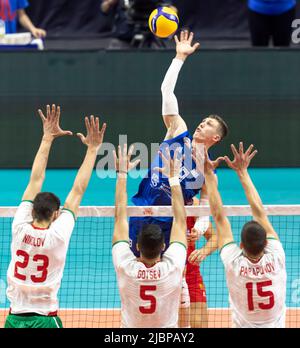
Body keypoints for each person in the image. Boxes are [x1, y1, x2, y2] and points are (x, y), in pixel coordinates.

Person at [129, 29, 228, 326]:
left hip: (168, 225)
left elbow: (205, 212)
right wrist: (178, 58)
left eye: (209, 124)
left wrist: (200, 225)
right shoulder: (178, 132)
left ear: (216, 137)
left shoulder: (206, 171)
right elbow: (166, 92)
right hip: (140, 209)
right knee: (137, 275)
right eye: (203, 120)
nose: (202, 124)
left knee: (167, 283)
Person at [5, 105, 106, 328]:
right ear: (56, 214)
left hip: (13, 319)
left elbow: (35, 180)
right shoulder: (59, 234)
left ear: (32, 210)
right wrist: (92, 149)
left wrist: (47, 137)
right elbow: (77, 190)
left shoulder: (19, 225)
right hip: (45, 319)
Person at [201, 142, 287, 328]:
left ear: (241, 245)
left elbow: (219, 216)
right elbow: (260, 212)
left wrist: (208, 174)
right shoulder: (277, 255)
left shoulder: (233, 261)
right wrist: (243, 172)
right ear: (266, 244)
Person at [112, 144, 187, 328]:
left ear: (136, 246)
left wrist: (122, 175)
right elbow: (180, 221)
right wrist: (174, 179)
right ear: (164, 246)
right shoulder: (173, 267)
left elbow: (119, 217)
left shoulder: (125, 267)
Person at [186, 199, 218, 328]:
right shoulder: (157, 204)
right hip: (166, 275)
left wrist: (204, 251)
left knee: (200, 325)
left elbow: (216, 237)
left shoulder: (192, 205)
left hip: (191, 276)